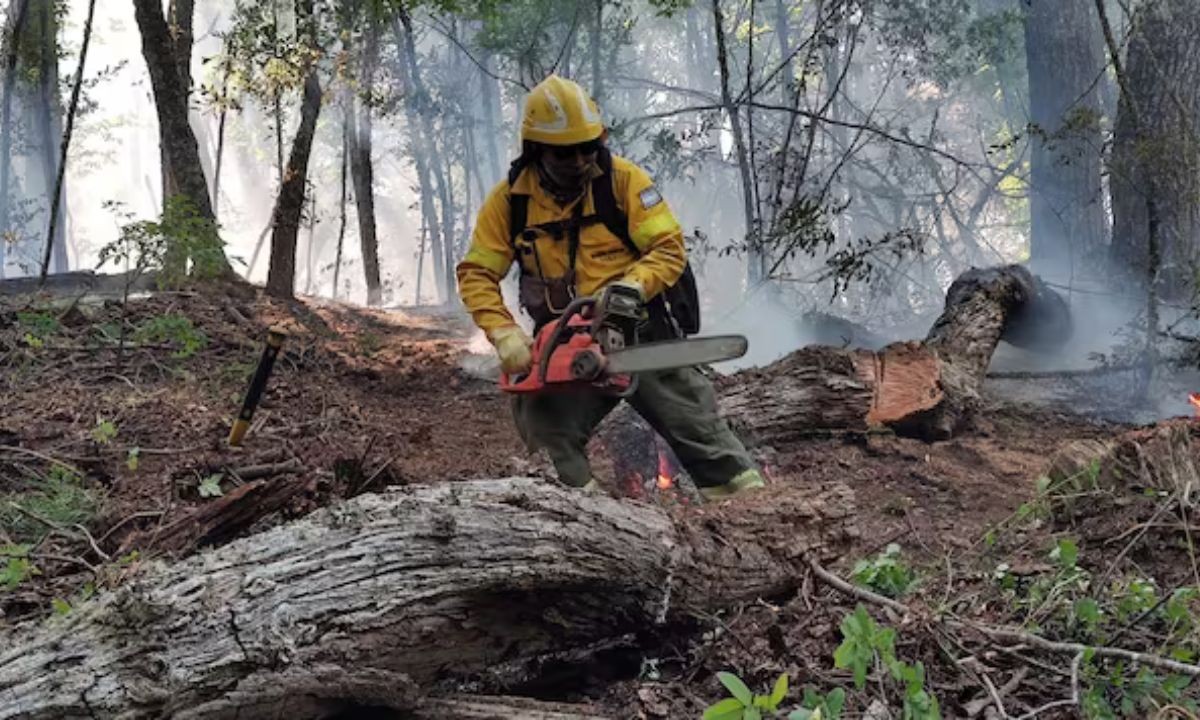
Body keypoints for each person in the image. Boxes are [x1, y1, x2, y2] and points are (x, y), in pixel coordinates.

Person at [455, 74, 764, 501]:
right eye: (567, 153)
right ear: (536, 150)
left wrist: (632, 287)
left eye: (588, 146)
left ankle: (753, 516)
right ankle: (587, 523)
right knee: (548, 440)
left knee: (705, 437)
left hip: (640, 331)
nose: (580, 159)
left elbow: (668, 248)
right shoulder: (511, 203)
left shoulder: (624, 182)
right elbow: (477, 274)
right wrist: (504, 332)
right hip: (565, 342)